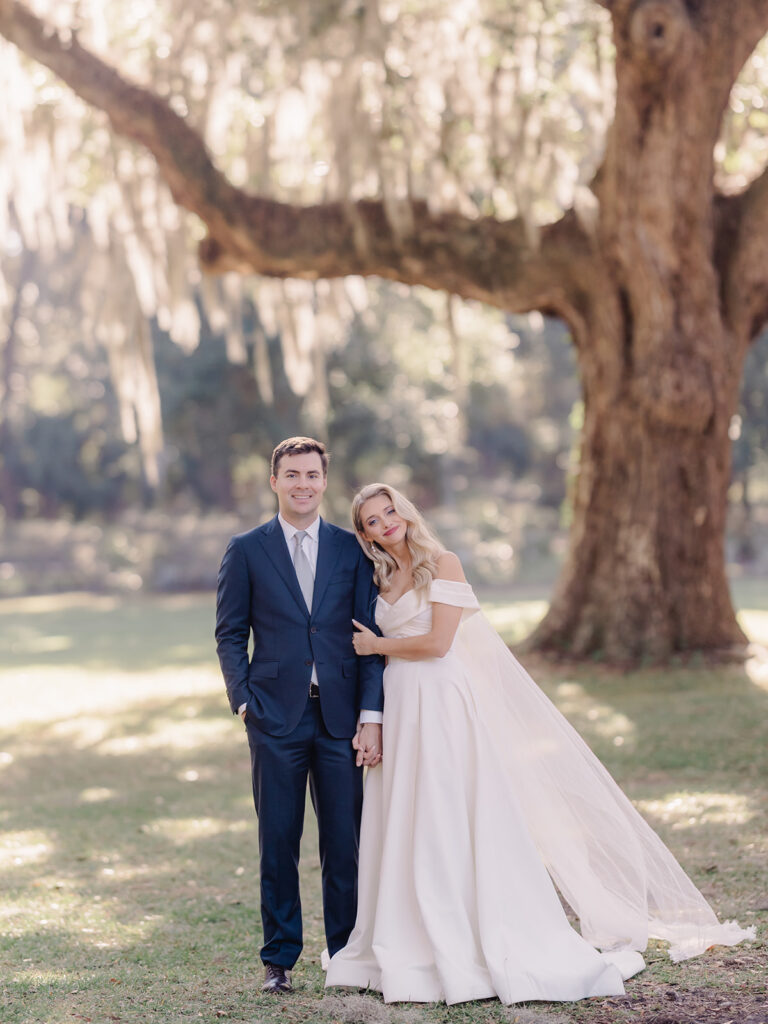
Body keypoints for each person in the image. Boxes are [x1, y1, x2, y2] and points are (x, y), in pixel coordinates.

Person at [324, 483, 754, 1006]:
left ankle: (471, 932)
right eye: (373, 519)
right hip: (402, 704)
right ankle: (408, 931)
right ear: (364, 534)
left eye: (390, 510)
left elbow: (439, 644)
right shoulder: (379, 577)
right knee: (404, 814)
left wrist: (378, 644)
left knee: (446, 810)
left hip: (441, 701)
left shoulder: (443, 562)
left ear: (405, 512)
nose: (386, 521)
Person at [215, 438, 384, 994]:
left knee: (345, 843)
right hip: (274, 718)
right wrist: (243, 700)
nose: (303, 484)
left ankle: (346, 954)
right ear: (275, 482)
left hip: (339, 719)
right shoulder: (246, 549)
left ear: (324, 481)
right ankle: (279, 961)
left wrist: (369, 713)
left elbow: (370, 639)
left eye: (312, 474)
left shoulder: (351, 549)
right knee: (278, 841)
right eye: (292, 475)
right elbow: (230, 633)